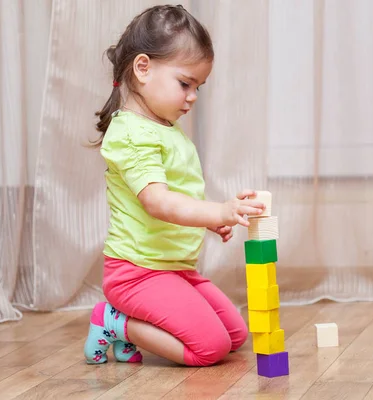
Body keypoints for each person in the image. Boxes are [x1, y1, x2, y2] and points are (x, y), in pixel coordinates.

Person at [83, 4, 265, 367]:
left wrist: (210, 219)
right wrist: (218, 210)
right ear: (143, 68)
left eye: (198, 86)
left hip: (175, 268)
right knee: (209, 349)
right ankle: (114, 321)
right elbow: (158, 202)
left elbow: (177, 195)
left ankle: (129, 322)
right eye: (185, 83)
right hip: (137, 273)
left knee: (234, 336)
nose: (193, 96)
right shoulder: (131, 133)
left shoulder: (164, 128)